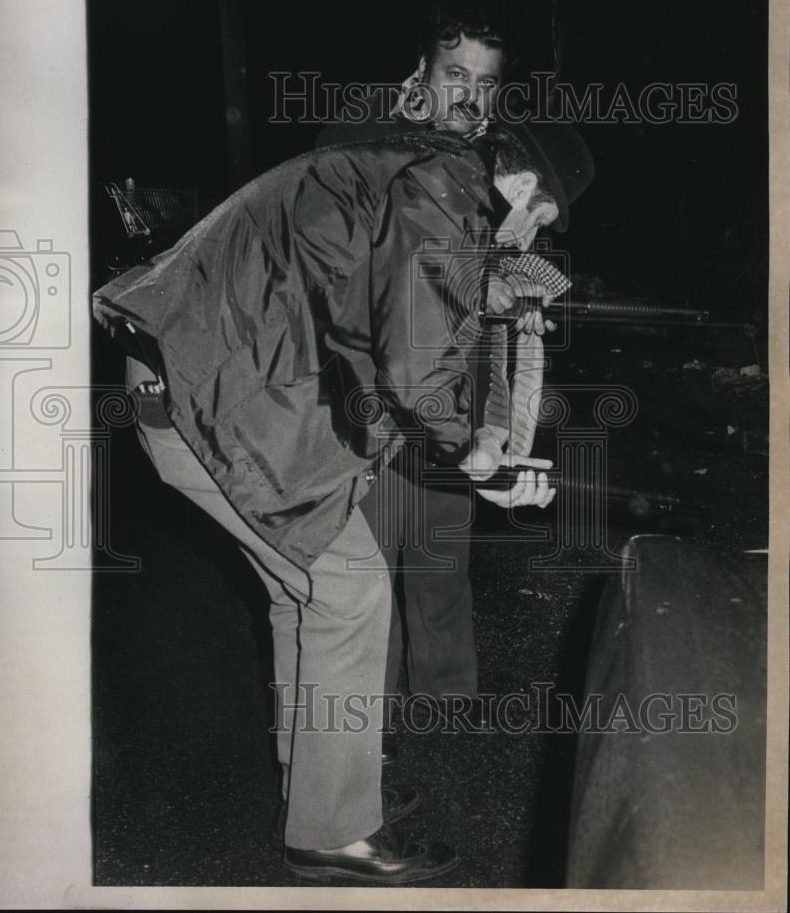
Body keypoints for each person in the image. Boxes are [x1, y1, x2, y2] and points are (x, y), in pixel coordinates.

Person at [93, 125, 568, 883]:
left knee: (305, 592)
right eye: (540, 216)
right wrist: (472, 456)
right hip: (204, 394)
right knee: (351, 589)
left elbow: (374, 335)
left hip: (195, 382)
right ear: (519, 186)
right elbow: (412, 367)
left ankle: (318, 792)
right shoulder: (440, 193)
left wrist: (477, 436)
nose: (531, 236)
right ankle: (334, 835)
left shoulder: (409, 177)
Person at [316, 6, 542, 729]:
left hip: (454, 389)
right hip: (375, 399)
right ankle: (365, 727)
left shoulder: (493, 162)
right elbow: (368, 277)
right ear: (419, 74)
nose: (469, 95)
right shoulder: (367, 141)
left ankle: (447, 698)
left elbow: (507, 259)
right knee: (367, 574)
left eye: (485, 82)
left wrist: (524, 288)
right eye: (454, 74)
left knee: (442, 557)